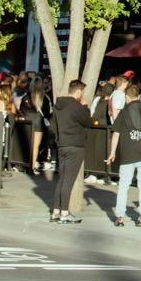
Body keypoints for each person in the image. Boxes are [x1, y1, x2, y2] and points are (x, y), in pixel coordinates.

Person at [107, 85, 141, 228]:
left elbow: (116, 134)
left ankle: (120, 217)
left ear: (127, 97)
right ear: (139, 96)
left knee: (123, 186)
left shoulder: (124, 113)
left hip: (127, 155)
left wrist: (112, 152)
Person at [49, 78, 94, 222]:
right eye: (82, 92)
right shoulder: (76, 106)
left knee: (62, 179)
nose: (82, 95)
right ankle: (64, 213)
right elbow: (88, 122)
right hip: (75, 145)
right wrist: (85, 107)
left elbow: (53, 126)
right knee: (68, 180)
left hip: (62, 144)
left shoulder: (58, 105)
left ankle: (56, 211)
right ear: (79, 91)